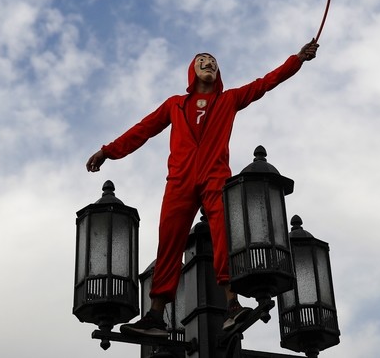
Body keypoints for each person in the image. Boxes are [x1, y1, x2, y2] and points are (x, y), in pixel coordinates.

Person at [85, 40, 319, 337]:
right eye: (202, 60)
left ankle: (231, 305)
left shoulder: (229, 99)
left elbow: (265, 83)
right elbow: (142, 130)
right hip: (179, 181)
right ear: (192, 71)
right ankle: (156, 317)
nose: (209, 63)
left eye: (213, 61)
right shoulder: (174, 104)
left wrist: (297, 60)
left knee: (224, 235)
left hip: (215, 177)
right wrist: (108, 151)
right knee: (169, 243)